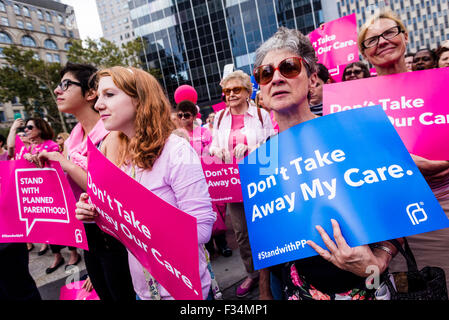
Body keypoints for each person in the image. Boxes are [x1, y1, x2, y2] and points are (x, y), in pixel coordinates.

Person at [255, 26, 402, 300]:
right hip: (299, 289)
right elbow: (268, 232)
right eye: (266, 73)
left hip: (364, 286)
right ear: (261, 91)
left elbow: (400, 206)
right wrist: (265, 291)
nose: (276, 78)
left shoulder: (353, 133)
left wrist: (379, 261)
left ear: (312, 79)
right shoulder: (264, 157)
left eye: (288, 67)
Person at [75, 66, 216, 300]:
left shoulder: (176, 151)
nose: (98, 104)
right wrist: (99, 213)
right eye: (98, 96)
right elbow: (127, 234)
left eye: (109, 95)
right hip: (144, 292)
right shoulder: (120, 157)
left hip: (184, 292)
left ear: (140, 99)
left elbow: (201, 231)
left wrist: (139, 216)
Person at [358, 9, 449, 288]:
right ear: (364, 53)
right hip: (388, 219)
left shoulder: (440, 86)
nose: (382, 41)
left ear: (405, 37)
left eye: (389, 33)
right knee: (407, 290)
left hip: (443, 206)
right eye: (372, 39)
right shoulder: (354, 101)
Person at [36, 62, 135, 300]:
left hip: (117, 239)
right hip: (90, 238)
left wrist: (65, 163)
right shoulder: (72, 141)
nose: (57, 91)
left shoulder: (115, 133)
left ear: (91, 93)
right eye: (58, 86)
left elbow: (107, 191)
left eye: (66, 85)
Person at [209, 70, 274, 297]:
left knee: (266, 225)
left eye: (236, 89)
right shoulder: (219, 117)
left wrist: (252, 149)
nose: (231, 94)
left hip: (259, 177)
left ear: (248, 92)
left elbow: (272, 144)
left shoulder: (260, 115)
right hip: (232, 183)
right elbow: (212, 146)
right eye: (227, 91)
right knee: (242, 233)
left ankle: (273, 270)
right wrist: (216, 150)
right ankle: (253, 274)